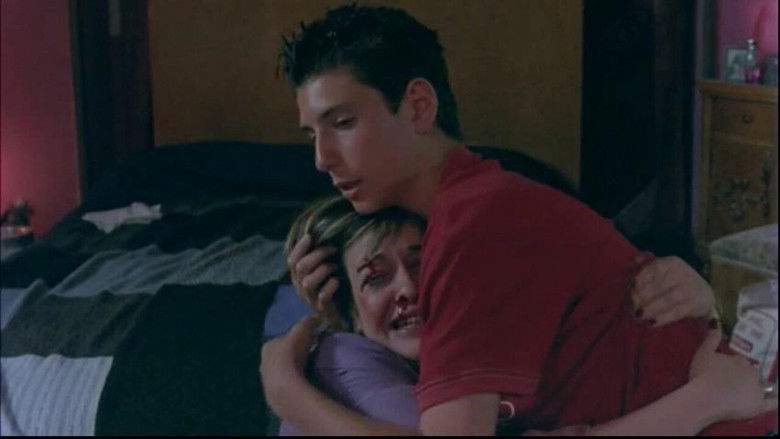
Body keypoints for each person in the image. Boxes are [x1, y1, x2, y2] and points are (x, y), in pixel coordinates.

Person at [260, 4, 777, 435]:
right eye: (313, 135)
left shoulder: (475, 226)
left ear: (417, 107)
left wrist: (288, 394)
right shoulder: (472, 209)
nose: (321, 159)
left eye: (342, 123)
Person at [271, 195, 774, 435]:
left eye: (424, 264)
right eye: (376, 278)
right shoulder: (347, 359)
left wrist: (705, 300)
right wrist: (285, 384)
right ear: (350, 314)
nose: (408, 289)